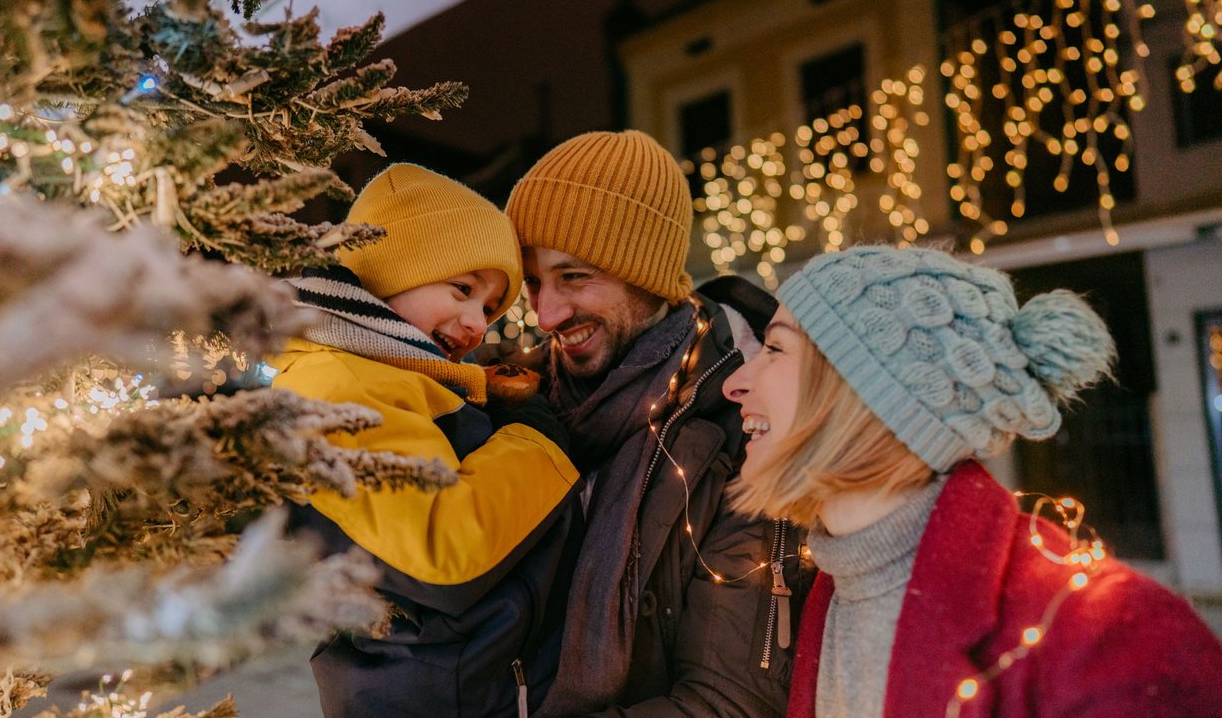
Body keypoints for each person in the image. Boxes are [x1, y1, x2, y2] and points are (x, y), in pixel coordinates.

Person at [721, 245, 1222, 718]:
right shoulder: (832, 594)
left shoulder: (1110, 638)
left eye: (775, 348)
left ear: (867, 390)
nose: (734, 384)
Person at [500, 129, 811, 717]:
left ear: (647, 274)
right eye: (534, 281)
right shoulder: (520, 401)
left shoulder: (745, 428)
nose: (546, 314)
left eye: (574, 277)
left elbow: (727, 705)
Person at [269, 163, 583, 718]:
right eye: (462, 290)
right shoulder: (337, 384)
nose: (476, 324)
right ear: (389, 272)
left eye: (488, 308)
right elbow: (442, 547)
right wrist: (536, 443)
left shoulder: (393, 379)